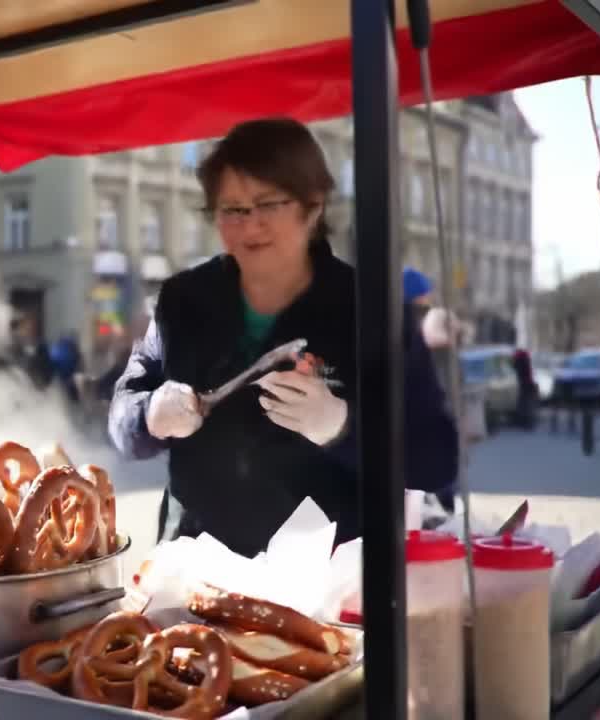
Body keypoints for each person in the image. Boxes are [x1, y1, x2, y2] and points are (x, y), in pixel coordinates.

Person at [108, 117, 459, 556]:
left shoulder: (371, 309)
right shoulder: (182, 300)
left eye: (268, 204)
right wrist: (148, 415)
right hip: (193, 570)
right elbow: (123, 414)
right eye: (232, 210)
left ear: (312, 208)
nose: (249, 226)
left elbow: (437, 457)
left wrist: (343, 426)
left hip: (323, 581)